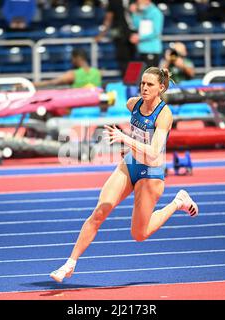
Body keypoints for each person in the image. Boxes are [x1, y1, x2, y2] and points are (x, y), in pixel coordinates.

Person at [49, 67, 199, 283]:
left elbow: (155, 151)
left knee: (139, 234)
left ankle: (178, 202)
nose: (144, 88)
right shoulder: (133, 104)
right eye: (142, 83)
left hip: (151, 174)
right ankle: (70, 264)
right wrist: (130, 147)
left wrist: (125, 138)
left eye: (150, 85)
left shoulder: (165, 115)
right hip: (130, 164)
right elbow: (140, 135)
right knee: (100, 211)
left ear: (161, 88)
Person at [94, 0, 136, 77]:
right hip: (133, 34)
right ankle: (132, 84)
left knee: (125, 63)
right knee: (131, 62)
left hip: (123, 36)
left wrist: (102, 34)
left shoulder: (113, 1)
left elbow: (109, 18)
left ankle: (129, 85)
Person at [34, 48, 101, 88]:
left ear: (77, 58)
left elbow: (52, 82)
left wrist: (32, 84)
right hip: (95, 109)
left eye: (72, 59)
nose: (71, 61)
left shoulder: (73, 74)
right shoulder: (98, 73)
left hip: (78, 109)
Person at [129, 0, 164, 68]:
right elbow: (136, 26)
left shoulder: (156, 13)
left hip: (152, 50)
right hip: (140, 50)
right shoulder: (140, 12)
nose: (138, 2)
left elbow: (156, 32)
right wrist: (134, 13)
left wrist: (139, 37)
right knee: (137, 76)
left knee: (150, 76)